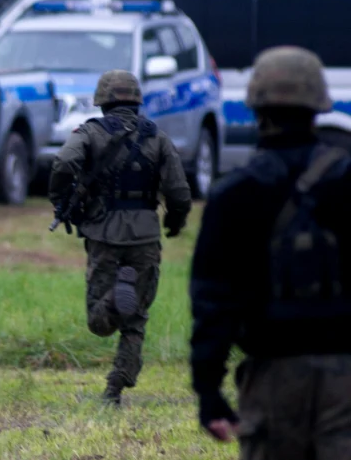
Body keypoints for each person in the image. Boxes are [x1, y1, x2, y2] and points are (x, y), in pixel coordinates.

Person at [190, 46, 351, 458]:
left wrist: (208, 390)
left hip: (273, 376)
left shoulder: (234, 194)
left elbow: (213, 302)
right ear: (318, 107)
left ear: (256, 108)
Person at [49, 70, 191, 405]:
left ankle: (114, 299)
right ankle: (115, 388)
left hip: (104, 233)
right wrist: (174, 222)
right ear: (137, 100)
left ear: (102, 101)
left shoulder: (89, 133)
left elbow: (63, 162)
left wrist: (60, 199)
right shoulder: (158, 137)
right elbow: (179, 191)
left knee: (99, 322)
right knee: (136, 319)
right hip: (145, 234)